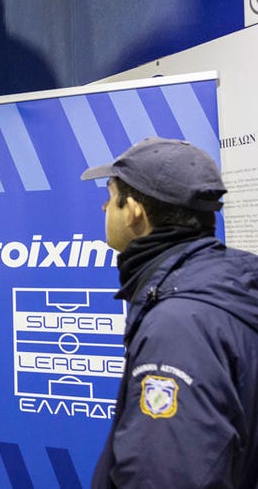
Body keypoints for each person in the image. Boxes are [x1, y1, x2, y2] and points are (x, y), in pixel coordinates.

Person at [83, 137, 258, 488]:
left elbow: (166, 473)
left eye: (110, 197)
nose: (104, 209)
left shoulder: (179, 324)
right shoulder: (223, 287)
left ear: (133, 210)